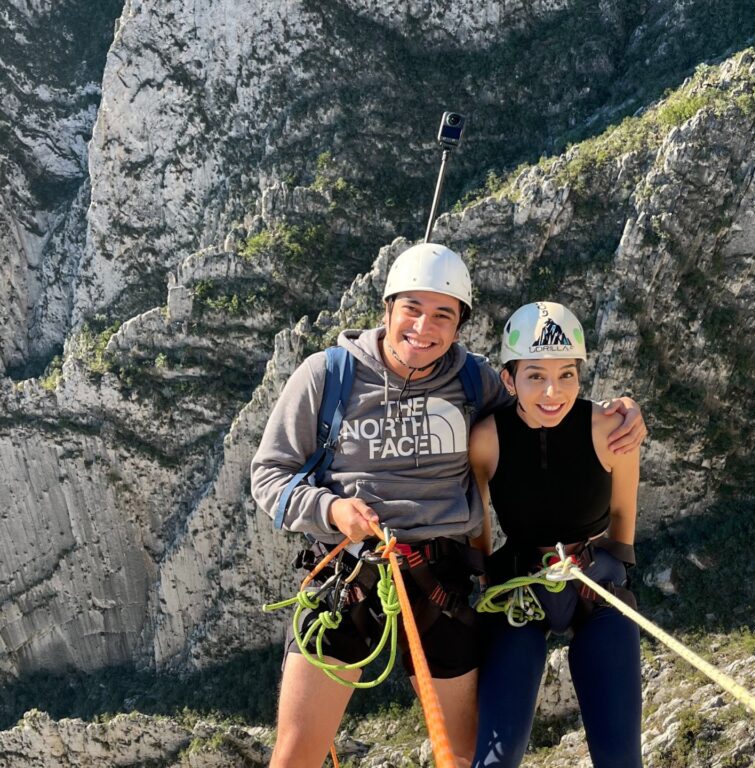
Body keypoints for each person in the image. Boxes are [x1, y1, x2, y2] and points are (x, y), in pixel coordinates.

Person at [250, 244, 646, 768]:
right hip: (347, 573)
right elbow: (268, 475)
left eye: (443, 314)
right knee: (294, 756)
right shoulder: (327, 376)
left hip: (442, 582)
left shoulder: (473, 381)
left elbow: (542, 402)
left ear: (459, 326)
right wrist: (330, 510)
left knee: (461, 758)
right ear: (386, 308)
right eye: (412, 308)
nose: (424, 326)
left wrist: (618, 415)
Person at [470, 301, 642, 768]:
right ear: (509, 381)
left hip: (595, 584)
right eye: (535, 376)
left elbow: (623, 516)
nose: (553, 391)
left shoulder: (611, 428)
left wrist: (616, 573)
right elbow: (478, 530)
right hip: (520, 585)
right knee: (496, 758)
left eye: (567, 374)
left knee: (621, 760)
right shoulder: (486, 439)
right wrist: (483, 584)